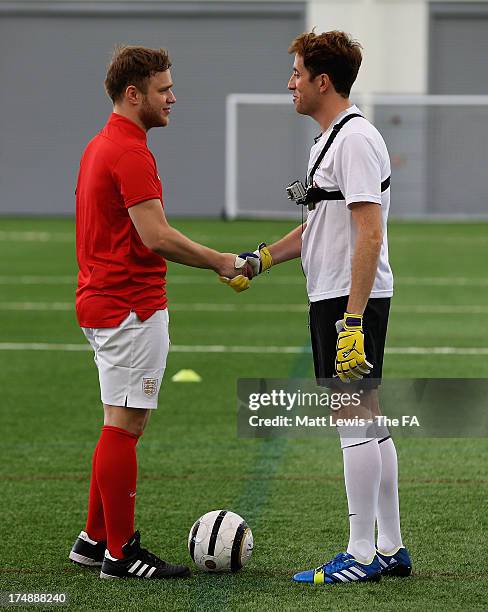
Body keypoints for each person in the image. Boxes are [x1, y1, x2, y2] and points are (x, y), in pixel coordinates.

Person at [233, 31, 411, 585]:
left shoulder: (355, 139)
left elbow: (369, 233)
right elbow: (318, 229)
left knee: (351, 420)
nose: (290, 83)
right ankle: (390, 547)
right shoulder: (329, 140)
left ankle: (360, 555)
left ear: (322, 81)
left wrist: (352, 319)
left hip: (347, 301)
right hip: (334, 295)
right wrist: (261, 259)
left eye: (296, 74)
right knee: (368, 420)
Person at [69, 46, 247, 580]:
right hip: (129, 307)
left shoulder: (105, 143)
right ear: (134, 93)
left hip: (108, 302)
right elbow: (156, 236)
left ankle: (94, 538)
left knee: (121, 421)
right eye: (164, 89)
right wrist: (220, 260)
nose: (173, 97)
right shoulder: (127, 151)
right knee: (123, 426)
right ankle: (119, 554)